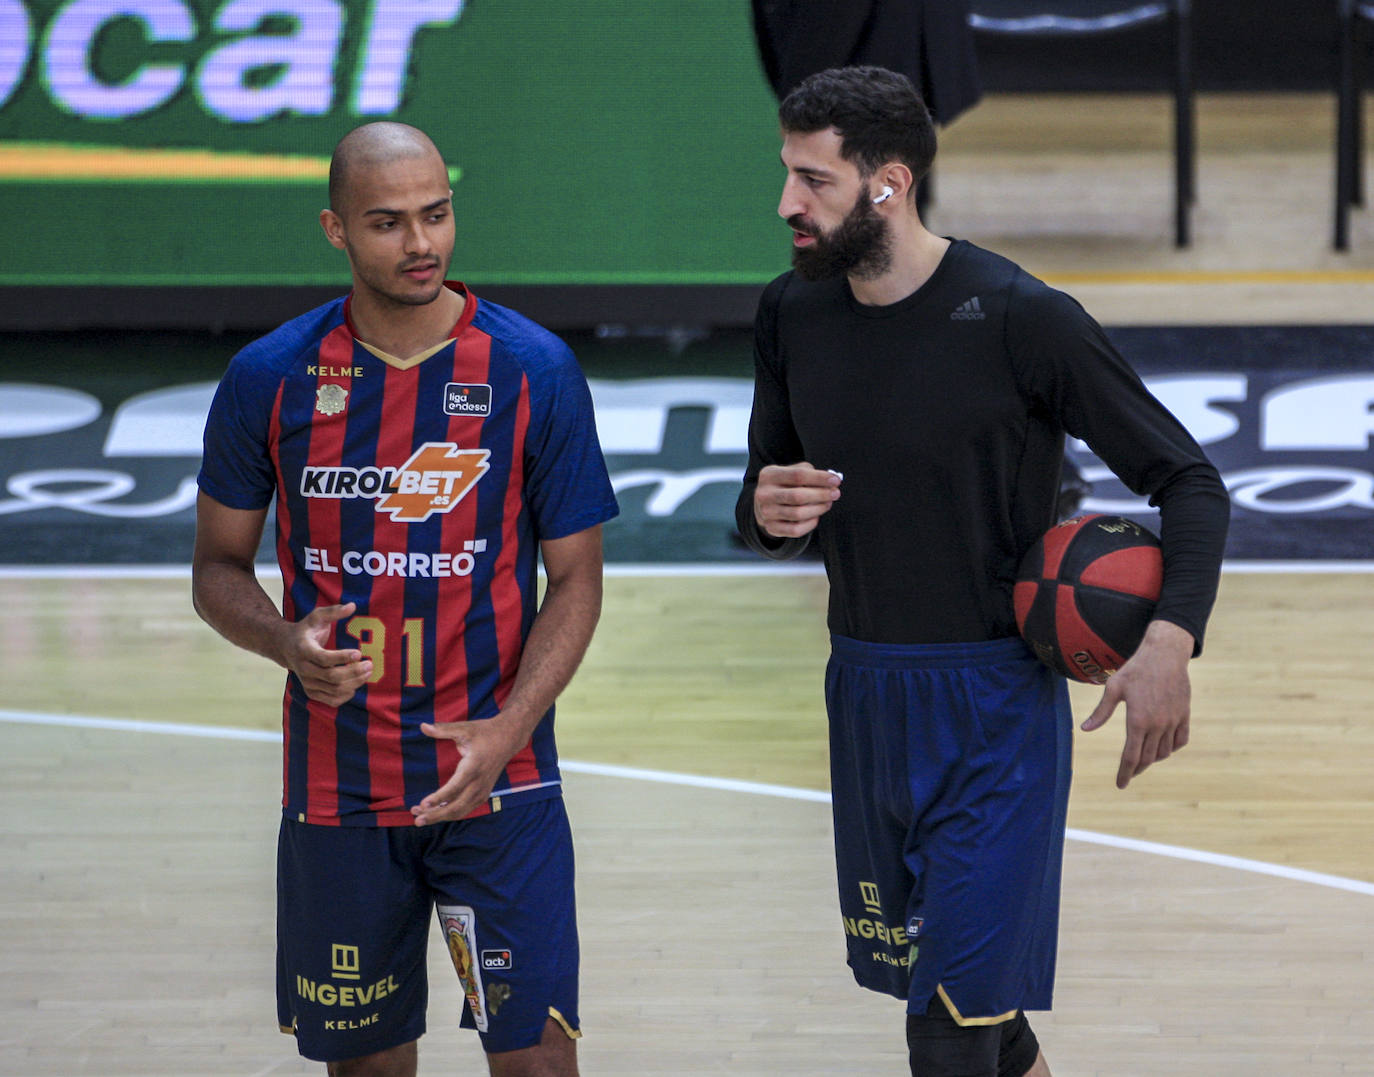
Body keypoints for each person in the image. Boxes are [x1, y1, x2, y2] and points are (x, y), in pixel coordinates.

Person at [733, 66, 1229, 1077]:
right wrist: (761, 510)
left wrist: (1170, 640)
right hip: (863, 693)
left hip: (994, 708)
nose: (788, 202)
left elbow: (1190, 482)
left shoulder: (1018, 318)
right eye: (788, 174)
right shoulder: (793, 314)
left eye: (814, 180)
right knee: (981, 1019)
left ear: (890, 183)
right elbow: (765, 500)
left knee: (947, 1028)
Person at [192, 121, 618, 1077]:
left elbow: (578, 578)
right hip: (338, 787)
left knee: (541, 1060)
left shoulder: (533, 368)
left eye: (437, 214)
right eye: (387, 222)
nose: (421, 243)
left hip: (499, 780)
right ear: (336, 229)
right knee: (369, 1068)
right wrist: (281, 639)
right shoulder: (269, 377)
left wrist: (510, 726)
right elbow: (216, 567)